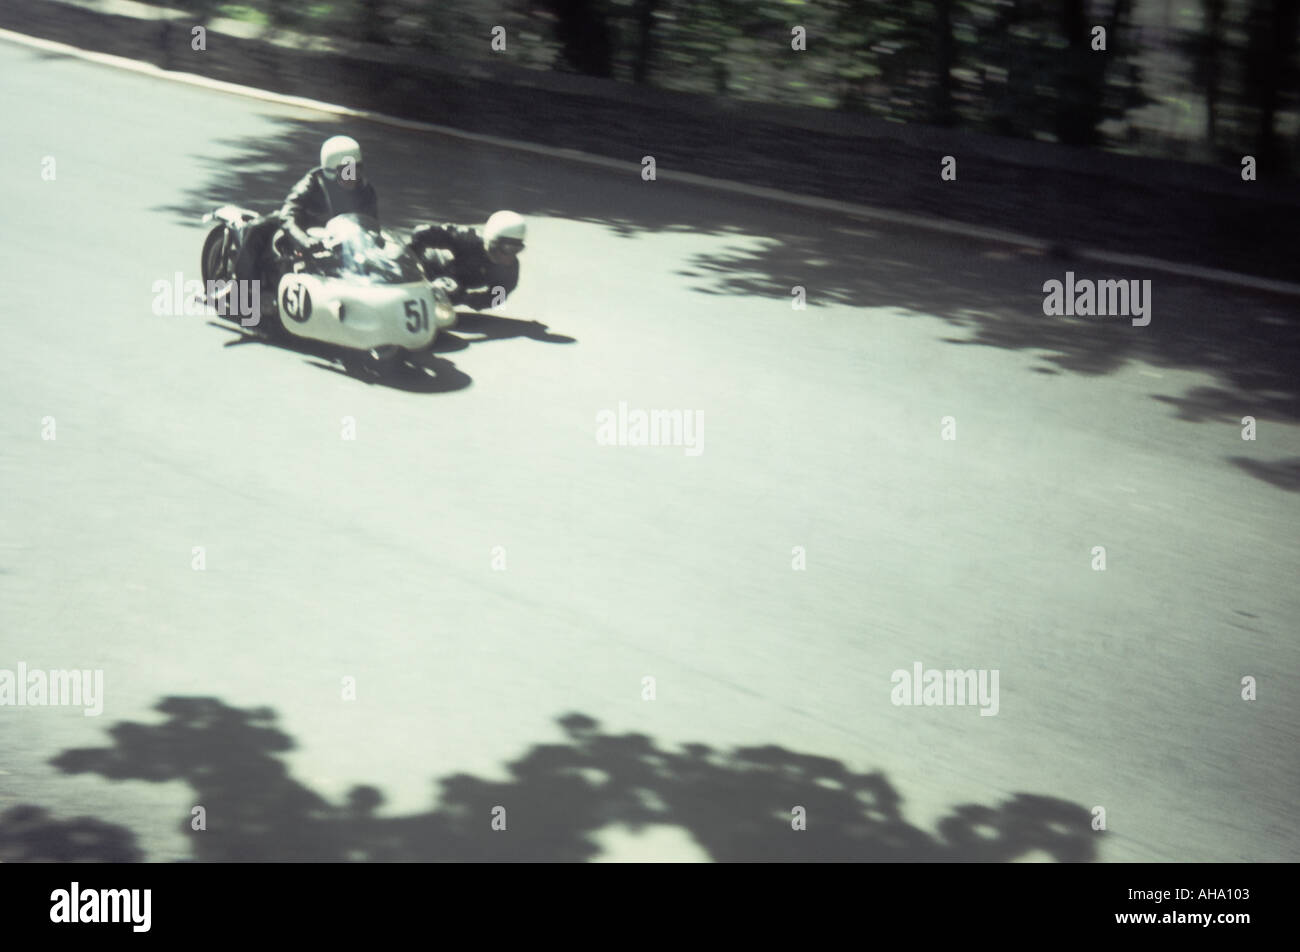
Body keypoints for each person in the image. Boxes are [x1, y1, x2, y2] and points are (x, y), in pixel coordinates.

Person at [226, 135, 379, 317]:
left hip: (335, 237)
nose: (353, 175)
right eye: (347, 170)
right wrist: (303, 239)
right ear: (331, 171)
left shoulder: (365, 191)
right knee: (259, 228)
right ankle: (240, 290)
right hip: (303, 229)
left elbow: (371, 225)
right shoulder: (312, 182)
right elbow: (288, 213)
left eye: (357, 168)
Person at [409, 211, 526, 311]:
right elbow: (421, 232)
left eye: (518, 249)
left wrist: (463, 298)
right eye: (507, 248)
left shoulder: (510, 269)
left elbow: (496, 300)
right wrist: (413, 260)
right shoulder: (467, 238)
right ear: (492, 242)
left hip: (454, 288)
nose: (511, 256)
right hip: (428, 268)